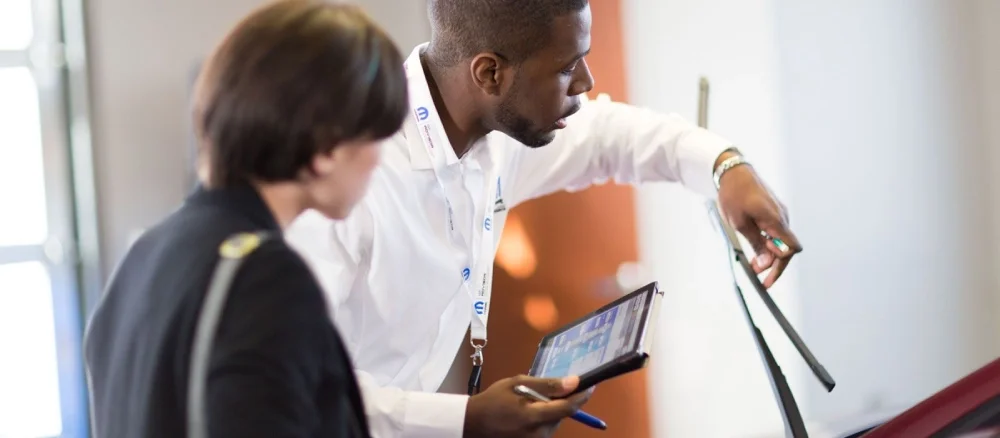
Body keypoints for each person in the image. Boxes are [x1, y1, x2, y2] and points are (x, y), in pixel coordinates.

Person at [284, 0, 803, 437]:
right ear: (490, 72)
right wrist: (465, 419)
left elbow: (609, 136)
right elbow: (296, 388)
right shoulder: (345, 182)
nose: (585, 81)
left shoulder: (491, 129)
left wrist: (724, 165)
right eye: (565, 67)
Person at [82, 1, 408, 436]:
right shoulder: (265, 278)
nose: (377, 160)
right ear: (327, 147)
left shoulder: (147, 253)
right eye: (376, 138)